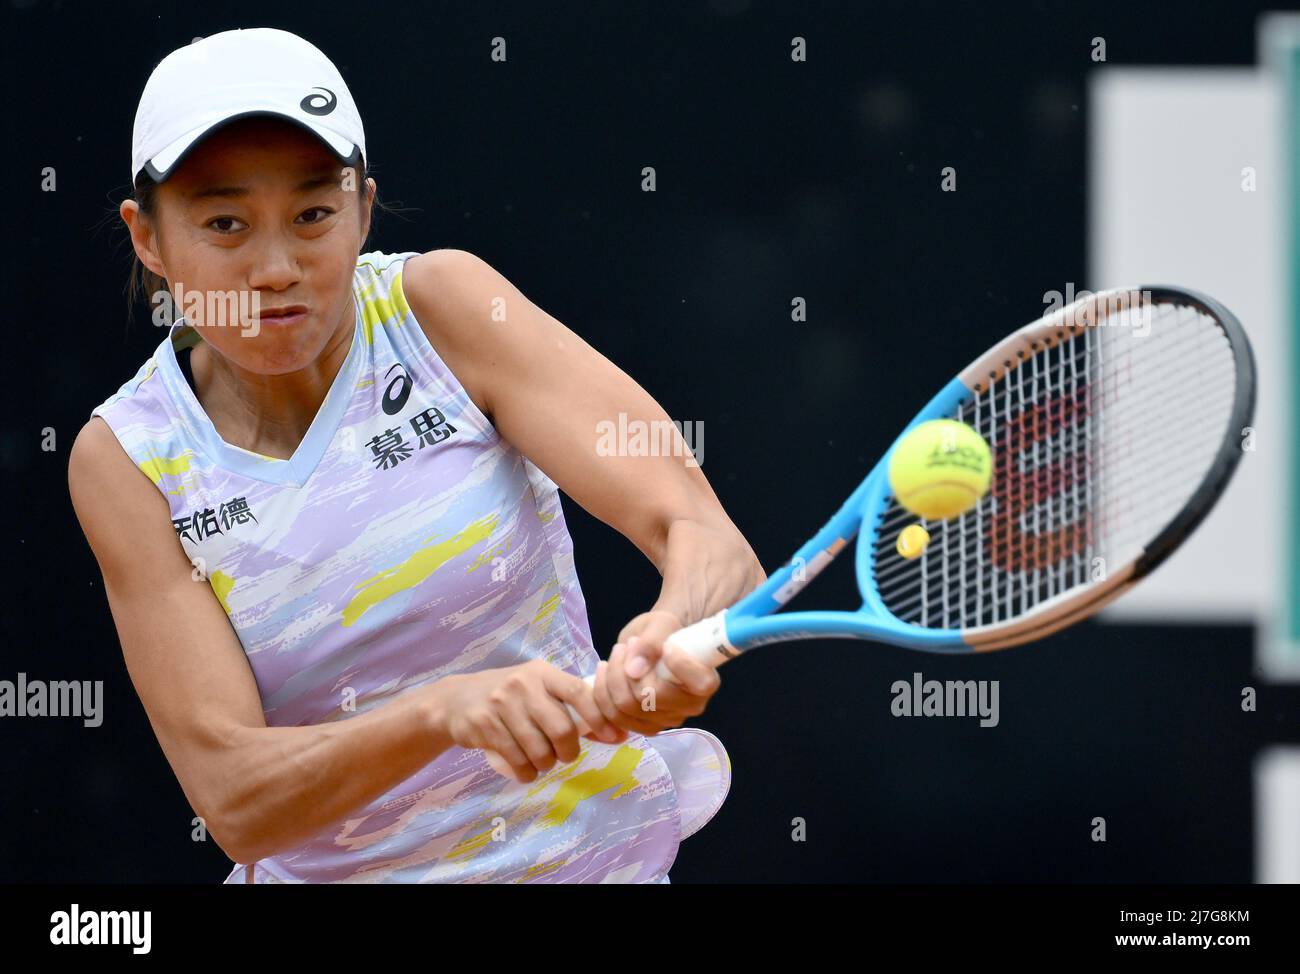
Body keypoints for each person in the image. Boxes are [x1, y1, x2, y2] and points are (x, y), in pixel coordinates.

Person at [68, 27, 764, 883]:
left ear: (362, 207)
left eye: (314, 215)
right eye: (225, 224)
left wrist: (676, 635)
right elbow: (236, 799)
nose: (277, 267)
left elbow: (705, 537)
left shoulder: (444, 310)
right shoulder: (126, 460)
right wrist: (438, 715)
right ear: (149, 239)